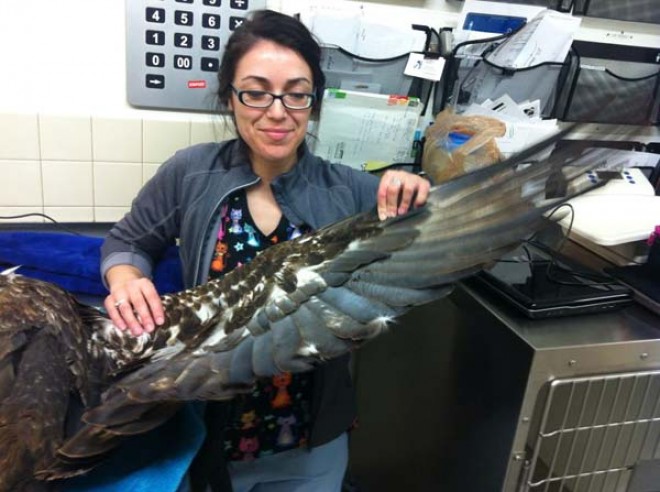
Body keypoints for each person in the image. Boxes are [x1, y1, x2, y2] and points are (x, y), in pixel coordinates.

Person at [101, 9, 430, 492]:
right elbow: (128, 241)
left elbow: (436, 229)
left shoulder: (353, 192)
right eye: (256, 92)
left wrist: (414, 188)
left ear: (314, 103)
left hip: (309, 437)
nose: (277, 111)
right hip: (204, 424)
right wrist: (127, 279)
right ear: (229, 98)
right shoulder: (190, 173)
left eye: (296, 94)